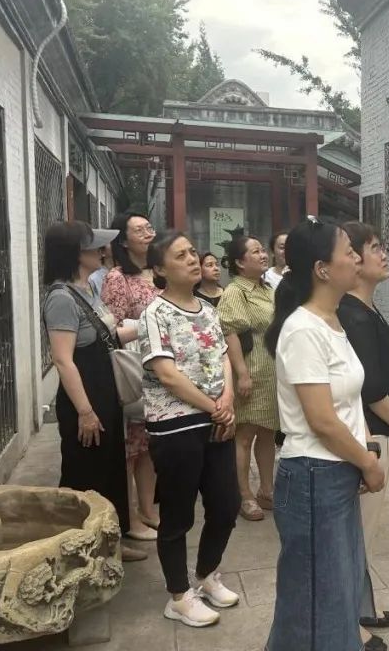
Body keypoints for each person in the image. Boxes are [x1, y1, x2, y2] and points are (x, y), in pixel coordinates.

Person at [264, 218, 387, 651]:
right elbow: (322, 420)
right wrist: (368, 462)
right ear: (321, 268)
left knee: (333, 593)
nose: (357, 258)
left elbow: (346, 402)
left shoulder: (332, 321)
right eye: (348, 252)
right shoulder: (303, 329)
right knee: (322, 600)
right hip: (314, 476)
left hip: (335, 473)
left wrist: (363, 450)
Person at [139, 231, 241, 628]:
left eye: (193, 252)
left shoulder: (208, 309)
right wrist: (215, 407)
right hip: (176, 425)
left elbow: (223, 356)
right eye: (180, 255)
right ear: (160, 268)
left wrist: (227, 399)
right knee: (178, 514)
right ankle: (179, 596)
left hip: (216, 419)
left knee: (226, 505)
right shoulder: (155, 313)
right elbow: (167, 375)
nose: (193, 259)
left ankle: (206, 574)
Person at [42, 221, 146, 563]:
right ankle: (76, 549)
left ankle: (109, 542)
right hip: (84, 398)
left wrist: (152, 323)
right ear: (76, 253)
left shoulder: (87, 289)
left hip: (105, 391)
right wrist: (85, 412)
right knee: (85, 472)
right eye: (94, 247)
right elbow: (63, 360)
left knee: (109, 469)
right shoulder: (61, 298)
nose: (103, 252)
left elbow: (107, 336)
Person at [338, 222, 389, 639]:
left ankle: (363, 608)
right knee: (359, 536)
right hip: (372, 435)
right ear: (352, 259)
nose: (383, 254)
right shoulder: (353, 315)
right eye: (373, 247)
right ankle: (349, 627)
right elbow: (369, 387)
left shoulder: (365, 310)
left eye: (383, 246)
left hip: (381, 430)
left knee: (365, 532)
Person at [102, 212, 160, 541]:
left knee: (149, 445)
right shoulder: (118, 277)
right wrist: (150, 326)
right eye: (140, 230)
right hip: (134, 370)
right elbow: (111, 329)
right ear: (123, 240)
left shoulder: (159, 272)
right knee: (130, 448)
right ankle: (128, 518)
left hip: (160, 368)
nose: (148, 233)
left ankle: (148, 510)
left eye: (149, 227)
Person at [215, 236, 278, 522]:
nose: (263, 255)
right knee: (244, 435)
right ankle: (244, 495)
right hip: (251, 372)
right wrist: (241, 374)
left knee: (267, 433)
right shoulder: (235, 292)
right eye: (256, 252)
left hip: (271, 372)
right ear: (240, 262)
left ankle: (267, 489)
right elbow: (230, 333)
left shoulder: (267, 288)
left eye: (263, 250)